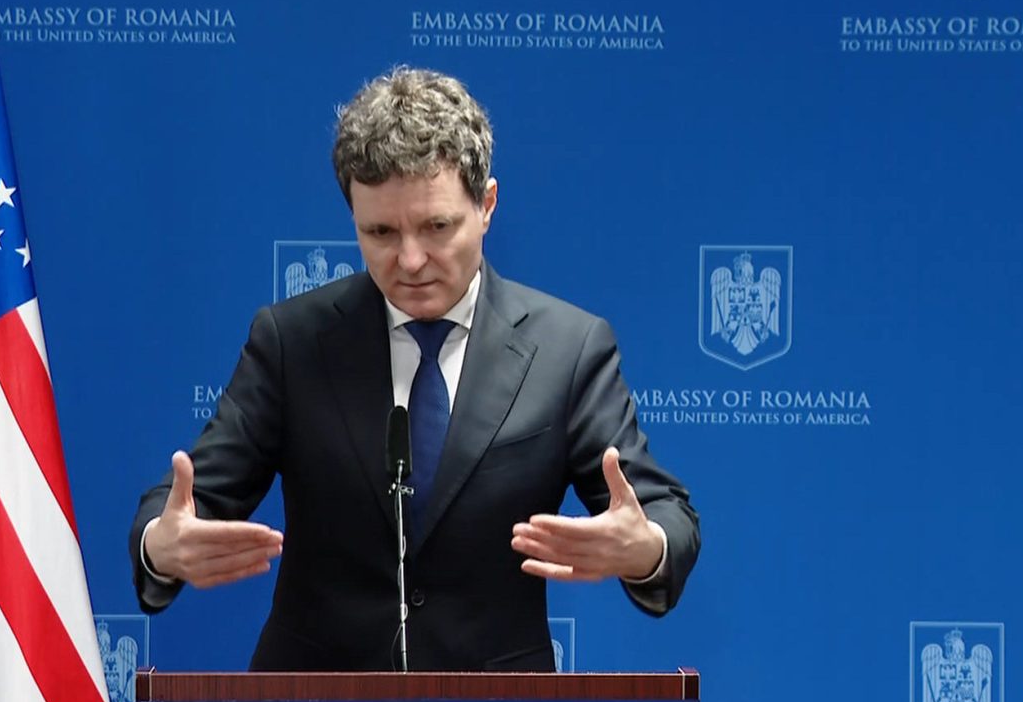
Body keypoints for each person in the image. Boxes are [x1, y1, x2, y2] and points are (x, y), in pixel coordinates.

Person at [128, 67, 699, 671]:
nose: (410, 260)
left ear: (486, 205)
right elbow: (185, 503)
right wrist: (161, 547)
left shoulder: (569, 348)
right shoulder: (292, 342)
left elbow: (665, 515)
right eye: (380, 232)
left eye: (436, 227)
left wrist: (644, 548)